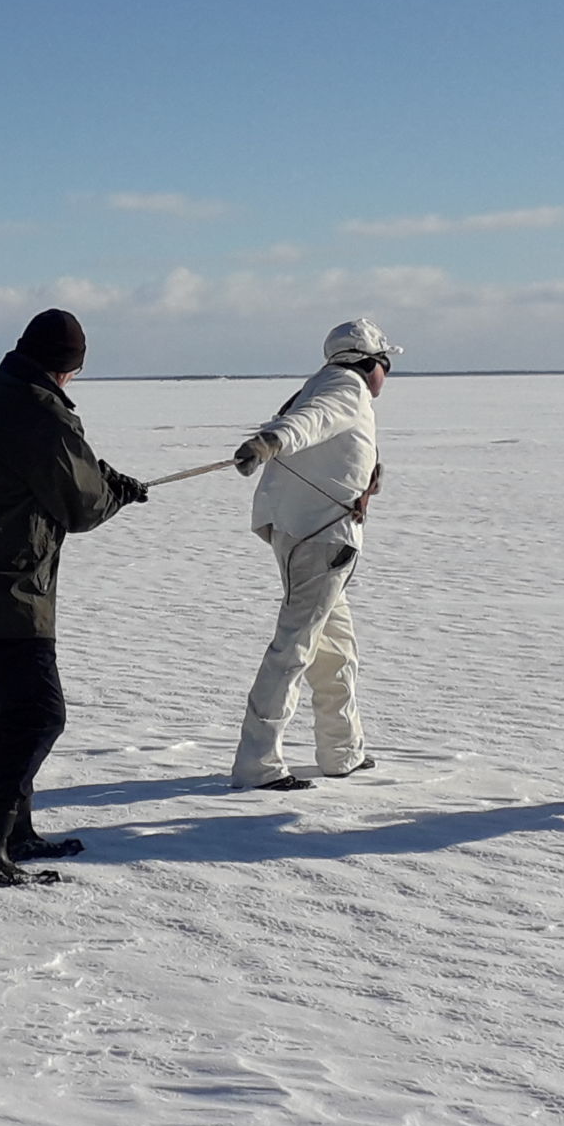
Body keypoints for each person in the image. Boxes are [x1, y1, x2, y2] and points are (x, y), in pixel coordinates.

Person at [0, 309, 148, 885]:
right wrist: (115, 491)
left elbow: (51, 472)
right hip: (8, 590)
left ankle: (12, 834)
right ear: (69, 369)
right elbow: (82, 505)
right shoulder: (42, 415)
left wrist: (98, 477)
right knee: (40, 714)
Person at [227, 318, 400, 791]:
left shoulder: (328, 384)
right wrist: (268, 444)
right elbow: (309, 423)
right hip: (319, 543)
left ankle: (342, 751)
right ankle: (257, 765)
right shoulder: (345, 387)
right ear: (368, 362)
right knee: (294, 648)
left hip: (312, 538)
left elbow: (330, 440)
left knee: (336, 648)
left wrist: (368, 473)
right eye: (385, 363)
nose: (387, 372)